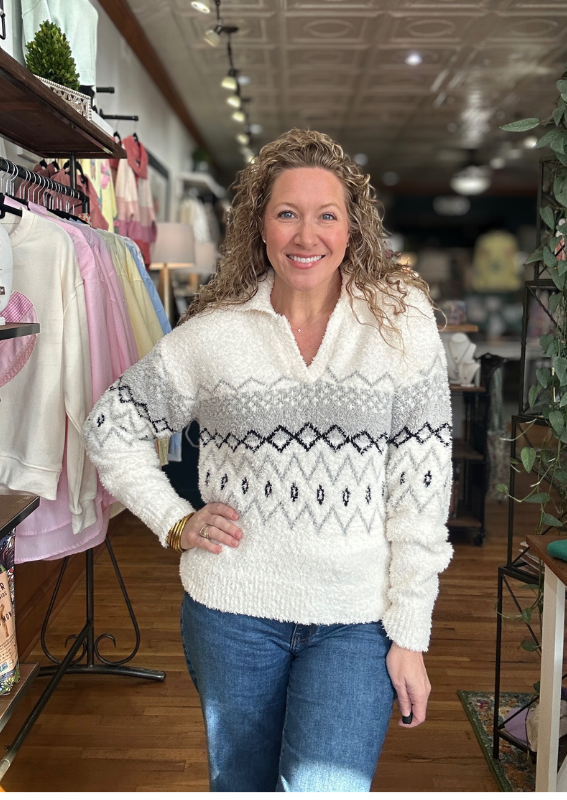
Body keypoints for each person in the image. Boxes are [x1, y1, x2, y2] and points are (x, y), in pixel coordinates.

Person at [84, 128, 453, 792]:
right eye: (287, 213)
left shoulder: (404, 327)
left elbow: (420, 495)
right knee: (241, 785)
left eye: (326, 215)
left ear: (352, 228)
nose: (305, 235)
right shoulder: (214, 335)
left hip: (356, 620)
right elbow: (111, 425)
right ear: (260, 226)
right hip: (231, 613)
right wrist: (175, 519)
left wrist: (410, 632)